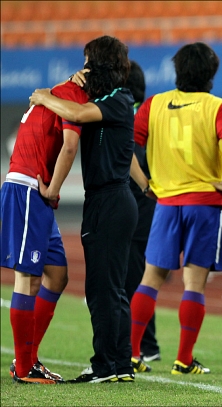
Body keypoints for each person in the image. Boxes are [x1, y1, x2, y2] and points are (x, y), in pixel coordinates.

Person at [30, 35, 141, 383]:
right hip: (112, 200)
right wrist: (69, 85)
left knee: (102, 289)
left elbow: (75, 112)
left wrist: (46, 96)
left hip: (108, 201)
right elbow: (81, 108)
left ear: (100, 64)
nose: (84, 67)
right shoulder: (110, 99)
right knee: (113, 288)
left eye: (88, 60)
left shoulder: (119, 98)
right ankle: (121, 363)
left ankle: (105, 365)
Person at [128, 42, 222, 376]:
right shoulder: (217, 106)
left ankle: (133, 355)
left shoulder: (155, 104)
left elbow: (127, 147)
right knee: (194, 284)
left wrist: (145, 183)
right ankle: (183, 359)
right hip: (204, 204)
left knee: (150, 279)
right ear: (211, 73)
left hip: (165, 203)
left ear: (178, 70)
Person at [2, 72, 89, 385]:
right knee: (27, 279)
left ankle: (28, 357)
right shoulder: (73, 94)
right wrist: (53, 188)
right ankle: (24, 368)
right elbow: (69, 147)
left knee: (56, 274)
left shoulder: (57, 91)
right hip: (29, 188)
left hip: (34, 192)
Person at [123, 60, 161, 363]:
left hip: (136, 201)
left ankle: (144, 346)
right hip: (150, 204)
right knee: (141, 275)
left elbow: (131, 160)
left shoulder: (127, 114)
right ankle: (146, 345)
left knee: (134, 277)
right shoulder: (151, 113)